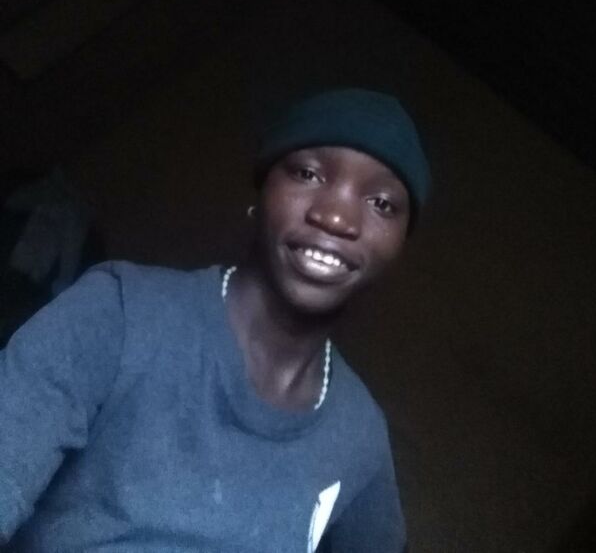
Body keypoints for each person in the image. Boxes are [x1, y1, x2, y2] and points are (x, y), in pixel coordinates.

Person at [0, 88, 430, 552]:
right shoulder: (119, 313)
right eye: (307, 174)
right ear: (261, 193)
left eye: (381, 203)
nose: (337, 217)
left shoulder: (359, 435)